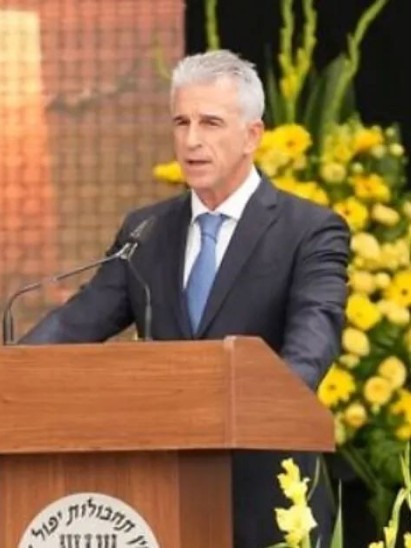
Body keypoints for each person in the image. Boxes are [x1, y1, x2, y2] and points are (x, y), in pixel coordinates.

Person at [18, 49, 349, 546]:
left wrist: (262, 407)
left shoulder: (309, 230)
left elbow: (313, 339)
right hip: (160, 496)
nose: (192, 140)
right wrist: (6, 370)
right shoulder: (146, 230)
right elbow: (78, 322)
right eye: (181, 122)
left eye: (210, 123)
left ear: (252, 135)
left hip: (271, 500)